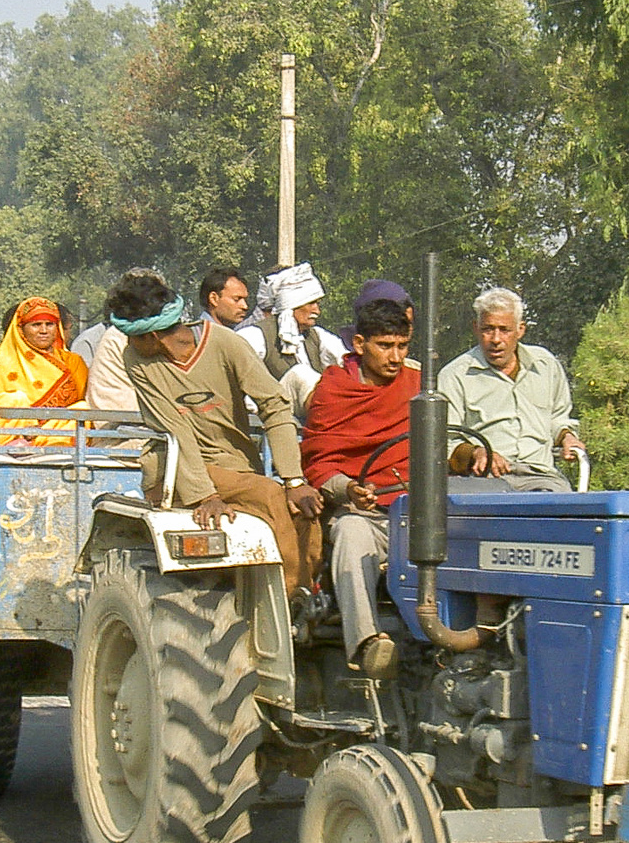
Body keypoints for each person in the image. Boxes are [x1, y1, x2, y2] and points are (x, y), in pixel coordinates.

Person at [108, 271, 323, 598]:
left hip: (236, 466)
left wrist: (294, 480)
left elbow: (274, 405)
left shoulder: (226, 344)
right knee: (269, 496)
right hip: (178, 468)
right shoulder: (136, 359)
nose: (129, 344)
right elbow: (175, 429)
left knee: (303, 508)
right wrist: (204, 496)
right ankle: (292, 600)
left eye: (133, 336)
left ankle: (311, 594)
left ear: (152, 336)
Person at [301, 298, 419, 678]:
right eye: (385, 346)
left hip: (416, 510)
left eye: (402, 346)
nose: (396, 357)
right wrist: (348, 490)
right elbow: (318, 462)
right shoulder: (333, 390)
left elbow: (441, 451)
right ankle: (368, 644)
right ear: (360, 344)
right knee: (350, 534)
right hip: (362, 514)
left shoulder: (419, 387)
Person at [438, 287, 584, 493]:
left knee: (568, 516)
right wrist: (476, 453)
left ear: (520, 330)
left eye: (504, 330)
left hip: (541, 477)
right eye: (488, 329)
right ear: (476, 328)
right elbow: (446, 441)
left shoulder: (546, 365)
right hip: (485, 480)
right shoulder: (455, 375)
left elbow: (558, 419)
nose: (496, 339)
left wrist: (567, 436)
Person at [0, 296, 90, 481]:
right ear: (21, 330)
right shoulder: (3, 364)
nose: (44, 330)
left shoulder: (73, 363)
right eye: (36, 325)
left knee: (81, 409)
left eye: (50, 324)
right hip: (16, 432)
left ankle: (41, 446)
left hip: (52, 432)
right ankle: (17, 446)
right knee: (14, 400)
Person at [236, 262, 346, 419]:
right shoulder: (256, 335)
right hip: (270, 413)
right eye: (311, 303)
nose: (317, 310)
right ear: (293, 303)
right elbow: (236, 379)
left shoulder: (316, 335)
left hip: (307, 416)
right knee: (300, 374)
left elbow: (344, 359)